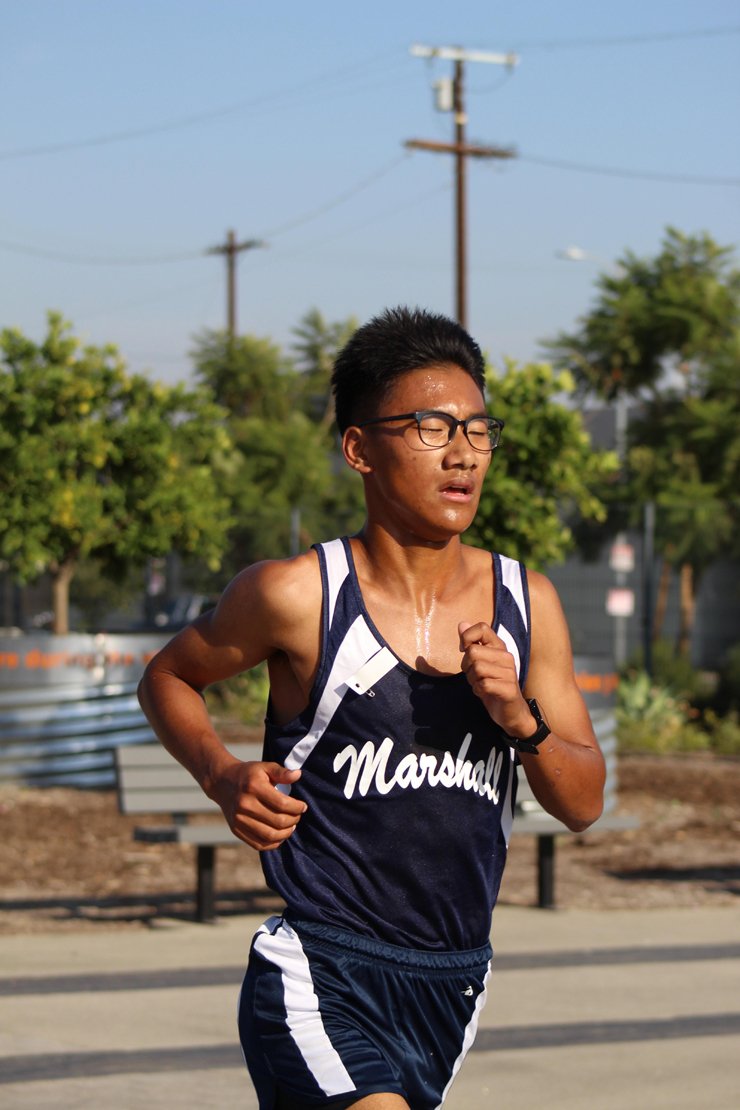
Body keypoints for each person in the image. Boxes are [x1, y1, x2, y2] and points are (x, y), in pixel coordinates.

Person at [138, 306, 605, 1110]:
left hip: (453, 984)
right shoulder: (296, 595)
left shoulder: (530, 604)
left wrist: (520, 719)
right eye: (430, 426)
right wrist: (220, 776)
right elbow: (168, 677)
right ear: (359, 449)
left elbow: (585, 802)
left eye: (478, 428)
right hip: (320, 967)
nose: (462, 453)